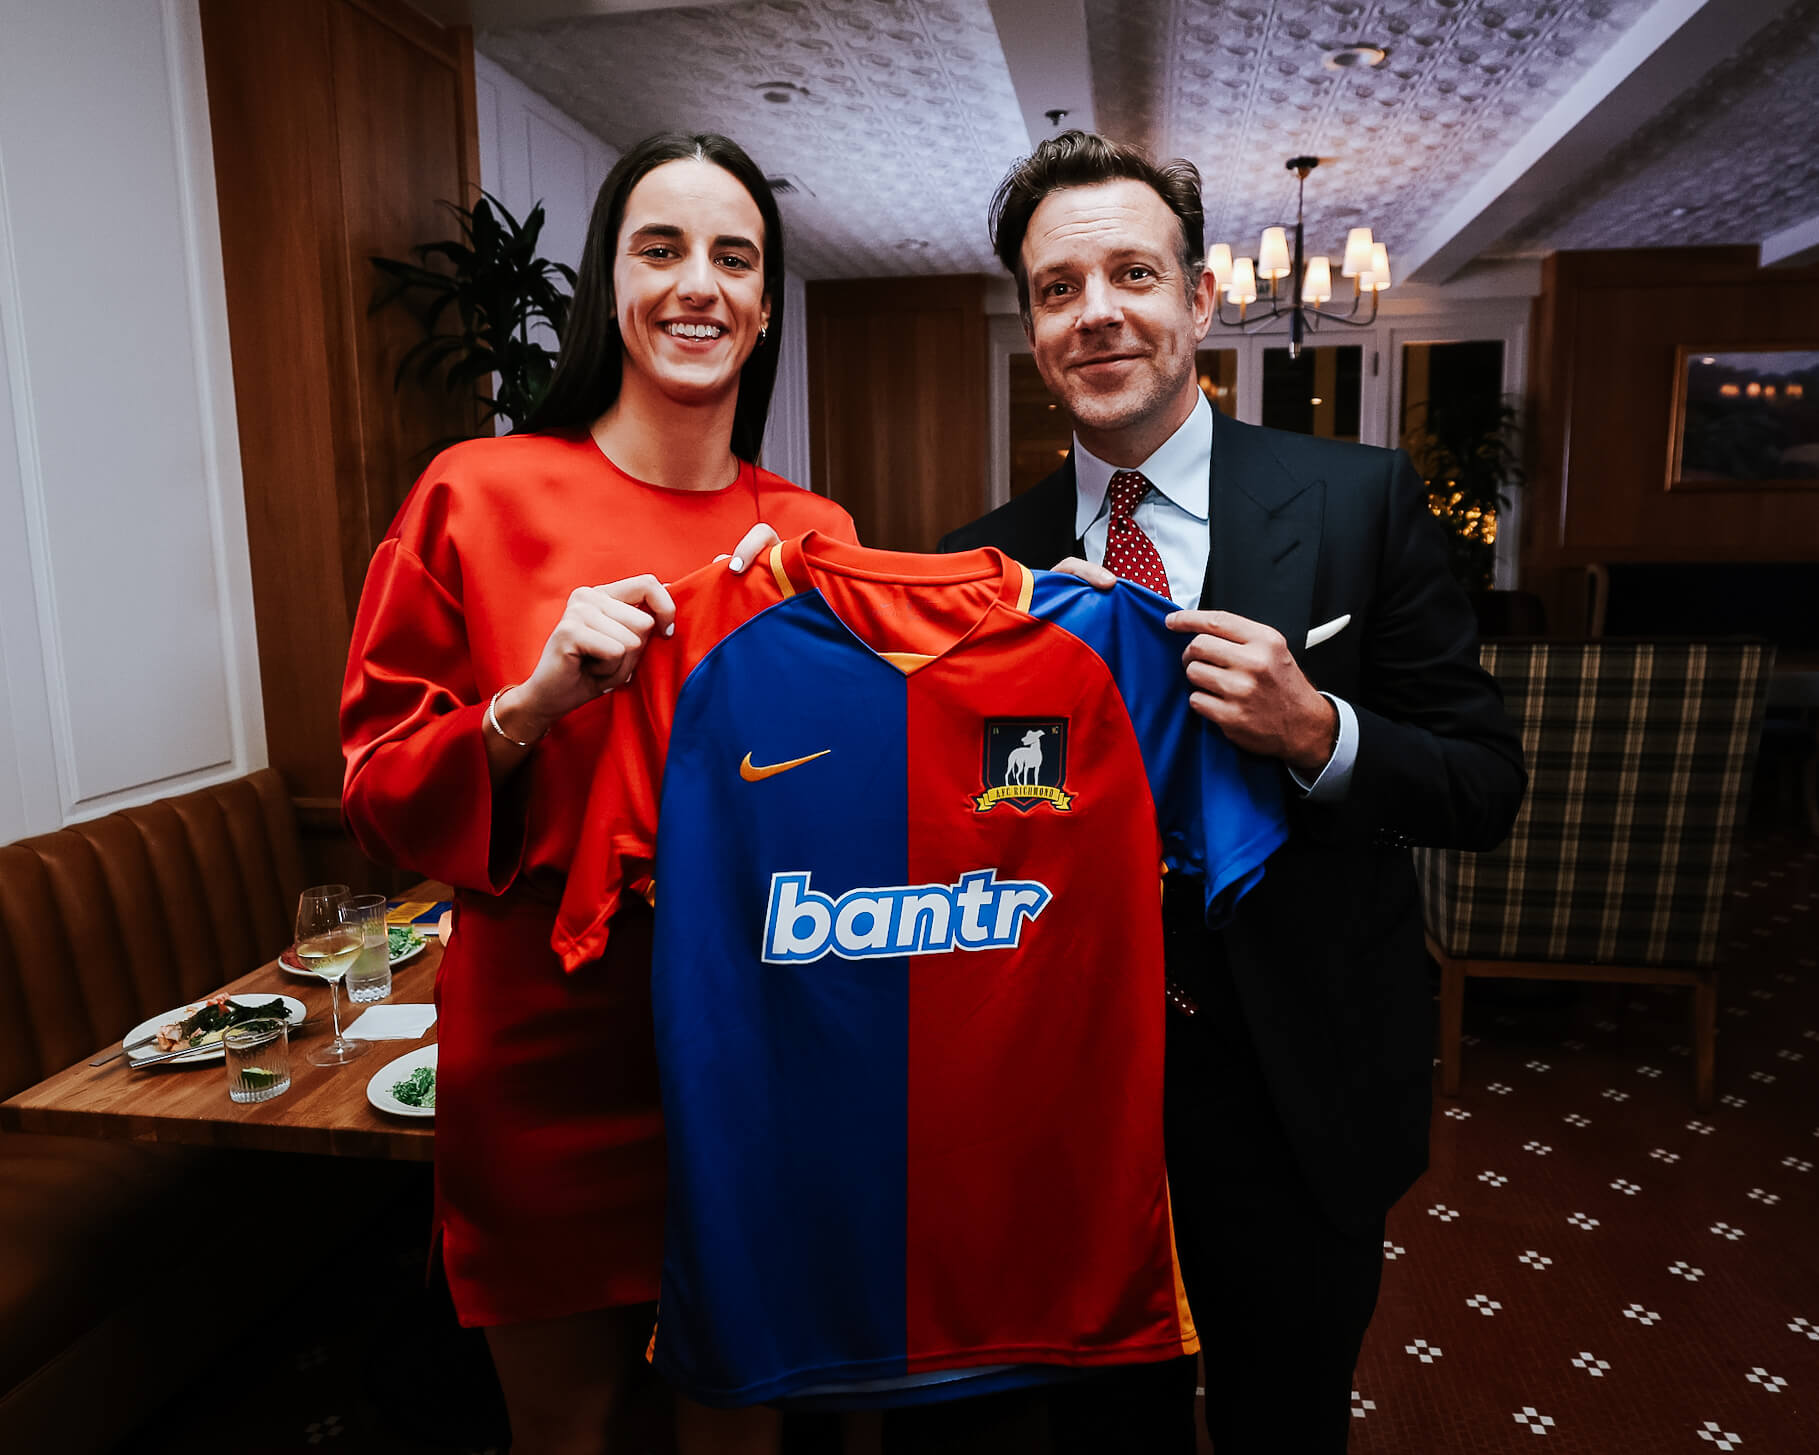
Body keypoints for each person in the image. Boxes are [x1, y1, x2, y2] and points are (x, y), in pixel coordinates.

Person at [931, 132, 1527, 1453]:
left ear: (1198, 299)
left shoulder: (1358, 501)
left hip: (1300, 1089)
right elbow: (978, 811)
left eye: (1132, 273)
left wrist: (1318, 731)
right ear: (1032, 325)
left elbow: (1485, 783)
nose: (1097, 314)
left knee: (1287, 1423)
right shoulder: (983, 564)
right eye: (1057, 287)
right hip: (1071, 1115)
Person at [340, 132, 856, 1455]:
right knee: (558, 1429)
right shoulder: (474, 493)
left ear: (767, 300)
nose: (699, 285)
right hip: (549, 1048)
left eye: (734, 256)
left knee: (738, 1417)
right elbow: (383, 792)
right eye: (661, 248)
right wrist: (533, 702)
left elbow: (855, 810)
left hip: (758, 1042)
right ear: (604, 282)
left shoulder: (818, 536)